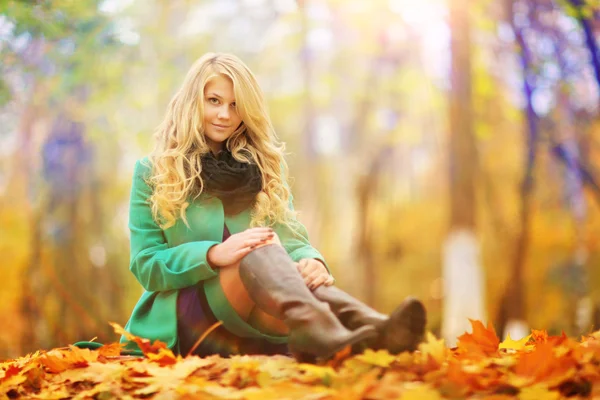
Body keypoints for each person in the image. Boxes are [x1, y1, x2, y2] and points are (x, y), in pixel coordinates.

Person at [120, 52, 427, 361]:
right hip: (189, 318)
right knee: (259, 246)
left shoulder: (265, 168)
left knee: (274, 252)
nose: (224, 115)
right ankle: (332, 330)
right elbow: (146, 264)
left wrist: (311, 261)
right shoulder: (153, 171)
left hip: (255, 313)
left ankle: (367, 329)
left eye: (235, 105)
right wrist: (212, 254)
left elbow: (292, 240)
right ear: (192, 102)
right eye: (214, 101)